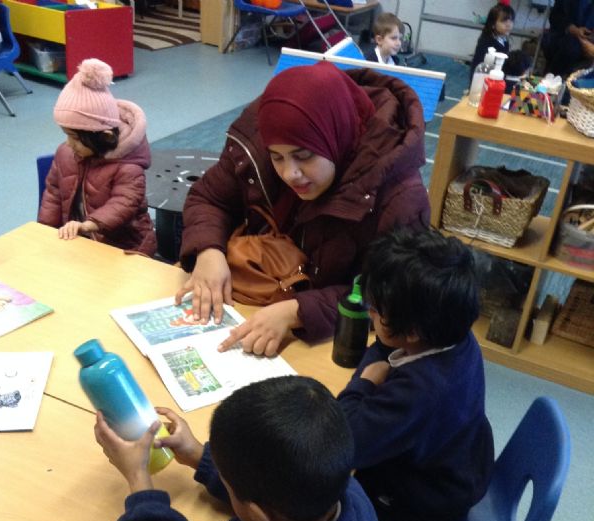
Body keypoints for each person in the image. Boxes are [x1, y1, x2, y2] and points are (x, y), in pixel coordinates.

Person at [176, 61, 429, 357]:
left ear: (337, 135)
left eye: (304, 156)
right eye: (277, 157)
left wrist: (297, 311)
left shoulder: (400, 198)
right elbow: (210, 198)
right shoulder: (264, 140)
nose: (290, 173)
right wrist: (208, 252)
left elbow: (391, 291)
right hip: (255, 298)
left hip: (329, 338)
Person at [94, 375, 387, 521]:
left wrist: (139, 481)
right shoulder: (346, 488)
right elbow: (280, 477)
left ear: (259, 516)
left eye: (227, 482)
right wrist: (198, 455)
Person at [337, 227, 495, 521]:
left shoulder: (421, 391)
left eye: (375, 310)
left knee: (310, 503)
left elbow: (341, 443)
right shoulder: (452, 331)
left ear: (411, 332)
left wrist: (363, 384)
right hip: (457, 465)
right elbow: (382, 347)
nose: (369, 313)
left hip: (420, 506)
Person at [38, 58, 157, 257]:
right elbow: (53, 193)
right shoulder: (65, 153)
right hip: (80, 241)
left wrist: (88, 225)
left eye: (75, 138)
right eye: (66, 135)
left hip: (124, 247)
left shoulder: (129, 167)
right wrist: (45, 231)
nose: (69, 143)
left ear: (104, 137)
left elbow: (123, 203)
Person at [544, 0, 594, 78]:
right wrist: (572, 29)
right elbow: (555, 16)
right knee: (572, 47)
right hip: (566, 43)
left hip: (588, 53)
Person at [469, 2, 515, 81]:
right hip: (482, 79)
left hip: (496, 78)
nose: (509, 25)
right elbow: (479, 66)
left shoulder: (504, 41)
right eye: (504, 21)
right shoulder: (486, 41)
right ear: (493, 24)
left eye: (511, 21)